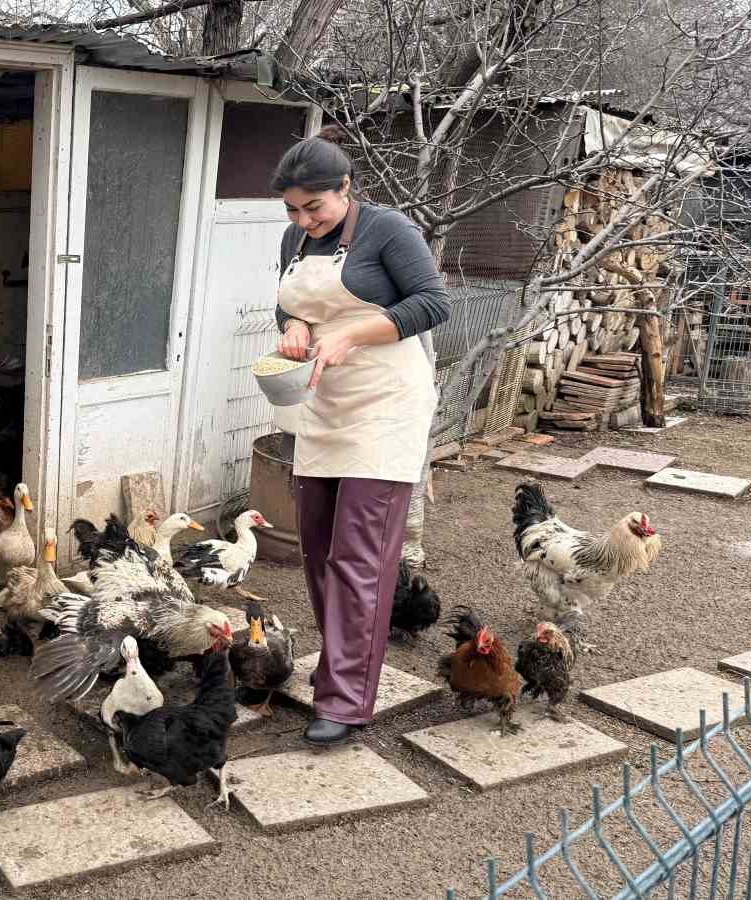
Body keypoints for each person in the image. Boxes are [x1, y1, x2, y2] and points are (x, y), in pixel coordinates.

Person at [270, 131, 448, 746]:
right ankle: (339, 663)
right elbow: (288, 304)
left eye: (314, 207)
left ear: (346, 188)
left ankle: (345, 700)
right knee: (316, 547)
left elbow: (432, 303)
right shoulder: (295, 239)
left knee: (358, 558)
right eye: (292, 209)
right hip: (325, 402)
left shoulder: (389, 230)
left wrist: (354, 334)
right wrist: (293, 325)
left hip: (386, 405)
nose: (303, 220)